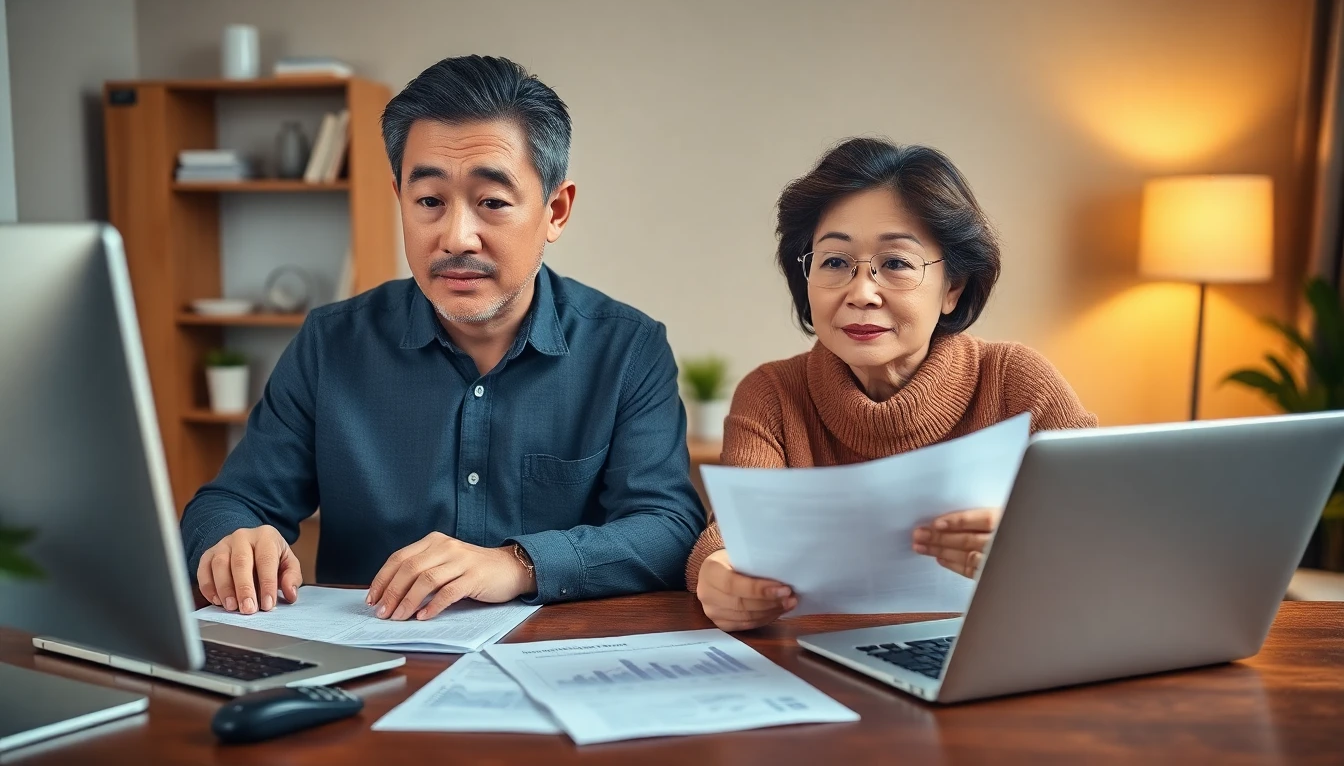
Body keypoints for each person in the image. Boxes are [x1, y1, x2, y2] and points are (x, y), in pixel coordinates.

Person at [182, 55, 705, 622]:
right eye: (429, 201)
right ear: (400, 198)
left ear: (555, 210)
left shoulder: (627, 349)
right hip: (373, 662)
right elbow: (230, 501)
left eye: (492, 203)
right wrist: (232, 538)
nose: (457, 237)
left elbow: (667, 527)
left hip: (550, 658)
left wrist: (519, 564)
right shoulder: (331, 344)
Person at [687, 138, 1096, 631]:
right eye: (835, 262)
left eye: (897, 263)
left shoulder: (1016, 382)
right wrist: (719, 575)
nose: (861, 293)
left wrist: (1032, 545)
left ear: (953, 287)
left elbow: (1109, 526)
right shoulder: (772, 393)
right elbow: (732, 539)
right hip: (818, 659)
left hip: (988, 651)